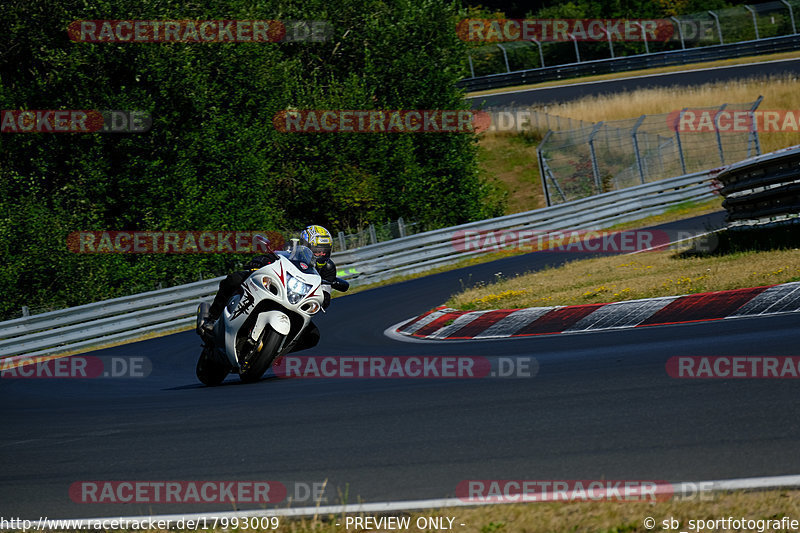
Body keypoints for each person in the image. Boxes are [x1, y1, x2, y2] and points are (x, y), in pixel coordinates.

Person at [199, 225, 348, 352]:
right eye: (317, 251)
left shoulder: (329, 268)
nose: (320, 254)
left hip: (297, 300)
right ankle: (212, 317)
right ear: (306, 245)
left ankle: (276, 351)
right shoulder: (291, 247)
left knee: (313, 336)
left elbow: (326, 293)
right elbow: (272, 255)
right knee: (234, 279)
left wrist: (324, 298)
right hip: (277, 284)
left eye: (324, 251)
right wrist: (259, 262)